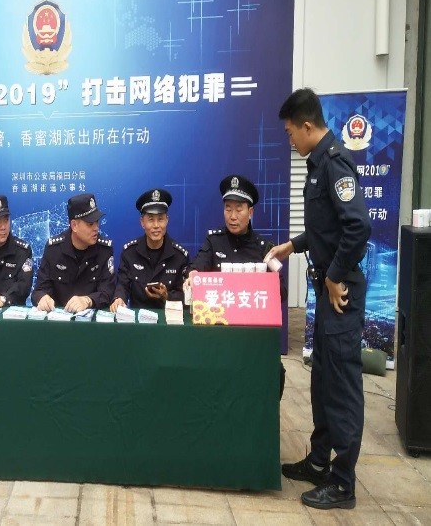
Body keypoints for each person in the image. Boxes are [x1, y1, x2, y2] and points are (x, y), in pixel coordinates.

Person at [266, 88, 371, 510]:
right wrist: (292, 246)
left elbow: (357, 227)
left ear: (307, 126)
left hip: (340, 292)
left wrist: (334, 275)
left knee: (342, 385)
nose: (290, 140)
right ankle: (318, 461)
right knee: (323, 379)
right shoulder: (317, 164)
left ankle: (343, 484)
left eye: (291, 132)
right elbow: (325, 229)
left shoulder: (335, 163)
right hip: (327, 289)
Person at [185, 175, 287, 400]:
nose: (232, 216)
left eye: (239, 209)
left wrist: (268, 281)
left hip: (251, 336)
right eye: (228, 209)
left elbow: (281, 292)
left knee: (275, 371)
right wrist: (193, 275)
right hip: (218, 335)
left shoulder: (264, 248)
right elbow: (197, 266)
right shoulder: (214, 241)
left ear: (250, 212)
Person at [31, 193, 115, 312]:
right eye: (90, 224)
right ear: (74, 225)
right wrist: (43, 298)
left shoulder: (104, 249)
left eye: (97, 222)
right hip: (59, 319)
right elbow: (39, 290)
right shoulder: (54, 249)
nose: (96, 228)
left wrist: (88, 300)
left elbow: (108, 292)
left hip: (91, 319)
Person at [110, 188, 189, 311]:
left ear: (167, 220)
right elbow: (123, 284)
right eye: (151, 219)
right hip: (138, 320)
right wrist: (119, 298)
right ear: (142, 222)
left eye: (160, 219)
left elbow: (187, 297)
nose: (156, 225)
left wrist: (167, 296)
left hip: (170, 319)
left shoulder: (180, 256)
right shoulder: (129, 253)